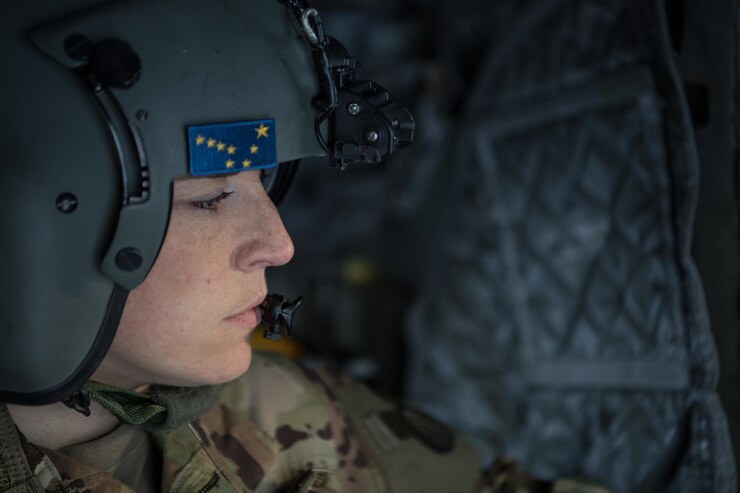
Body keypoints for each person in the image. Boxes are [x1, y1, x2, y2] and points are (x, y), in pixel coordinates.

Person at [0, 0, 615, 491]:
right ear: (33, 227)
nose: (279, 245)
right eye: (210, 197)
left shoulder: (286, 411)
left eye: (263, 180)